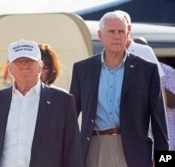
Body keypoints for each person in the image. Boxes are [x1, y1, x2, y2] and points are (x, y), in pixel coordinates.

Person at [0, 39, 83, 167]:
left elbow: (72, 153)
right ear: (10, 68)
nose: (24, 65)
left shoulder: (62, 102)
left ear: (40, 66)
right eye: (18, 61)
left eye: (30, 61)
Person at [70, 11, 168, 167]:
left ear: (127, 34)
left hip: (136, 152)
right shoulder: (82, 69)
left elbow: (160, 124)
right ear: (100, 35)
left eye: (121, 31)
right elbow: (70, 116)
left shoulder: (147, 70)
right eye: (111, 31)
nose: (117, 36)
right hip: (94, 148)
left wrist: (166, 162)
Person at [115, 10, 165, 78]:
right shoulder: (106, 52)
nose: (117, 34)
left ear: (129, 28)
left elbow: (158, 78)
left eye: (121, 29)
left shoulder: (145, 51)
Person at [160, 62, 175, 150]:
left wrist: (154, 83)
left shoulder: (168, 72)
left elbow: (173, 101)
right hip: (138, 142)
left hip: (167, 141)